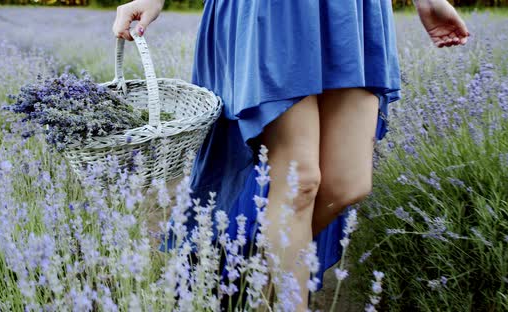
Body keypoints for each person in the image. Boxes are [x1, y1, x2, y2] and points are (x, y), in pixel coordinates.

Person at [112, 0, 469, 310]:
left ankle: (246, 278)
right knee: (299, 185)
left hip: (352, 9)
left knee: (349, 184)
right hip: (274, 10)